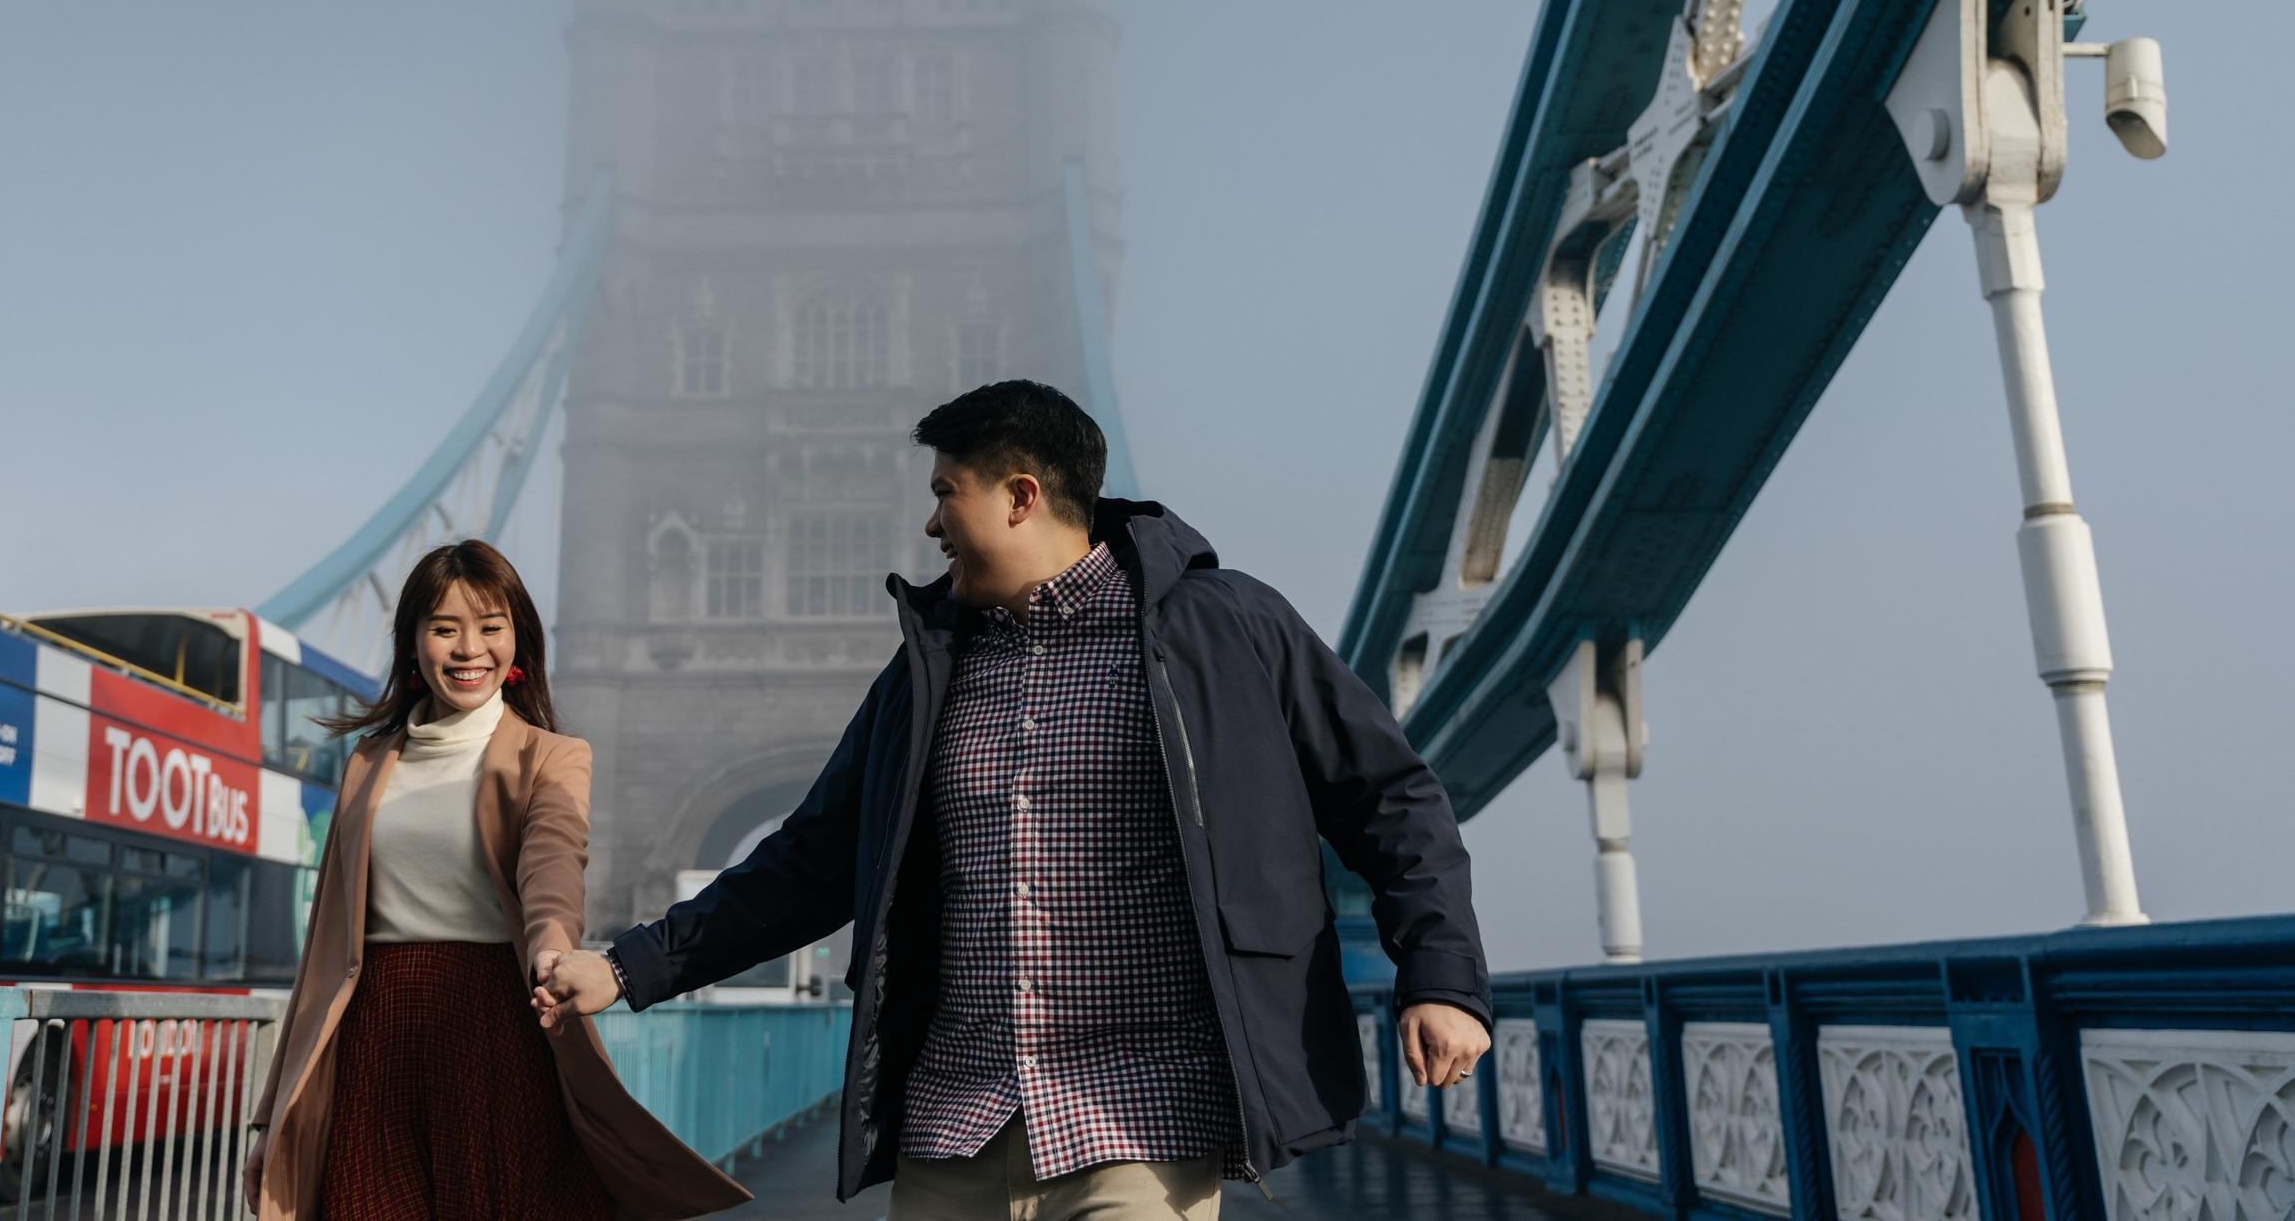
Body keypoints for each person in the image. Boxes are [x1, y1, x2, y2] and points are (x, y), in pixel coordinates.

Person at [533, 381, 1490, 1220]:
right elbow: (811, 860)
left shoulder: (1226, 627)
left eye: (947, 493)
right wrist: (628, 967)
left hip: (1143, 1119)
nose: (931, 523)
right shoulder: (925, 673)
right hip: (955, 1120)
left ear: (1021, 495)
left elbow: (1389, 796)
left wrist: (1442, 975)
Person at [243, 540, 747, 1221]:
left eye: (490, 626)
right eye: (445, 627)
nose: (467, 648)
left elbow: (553, 862)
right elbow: (321, 950)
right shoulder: (367, 762)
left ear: (518, 643)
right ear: (414, 642)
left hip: (495, 1029)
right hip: (371, 1040)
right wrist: (271, 1116)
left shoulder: (552, 756)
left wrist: (552, 945)